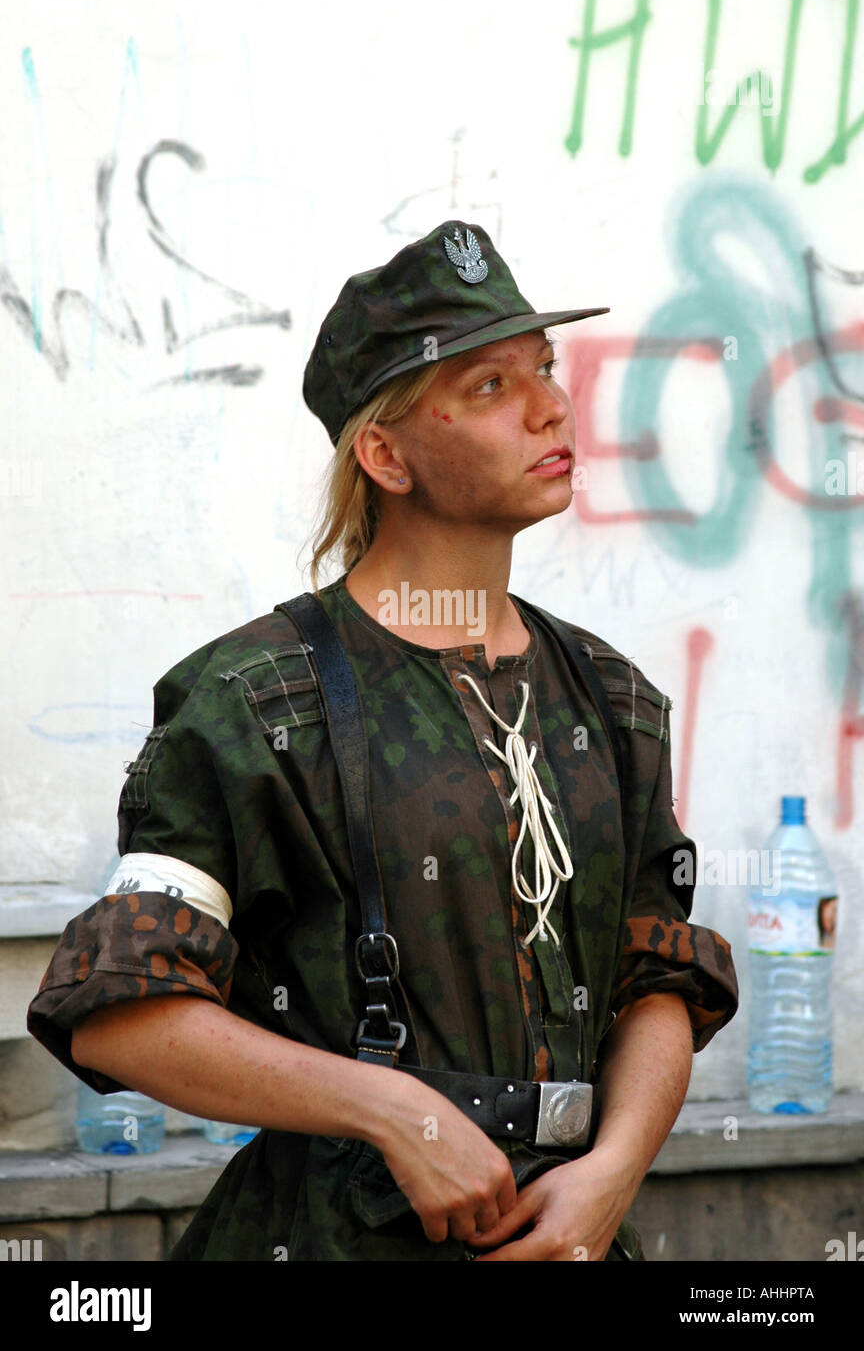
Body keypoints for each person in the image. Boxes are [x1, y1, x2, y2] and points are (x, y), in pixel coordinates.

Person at [27, 221, 738, 1262]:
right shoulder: (258, 699)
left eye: (544, 369)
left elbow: (656, 979)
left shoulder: (611, 698)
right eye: (490, 387)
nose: (551, 404)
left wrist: (610, 1174)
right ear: (386, 453)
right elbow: (116, 1013)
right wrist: (393, 1110)